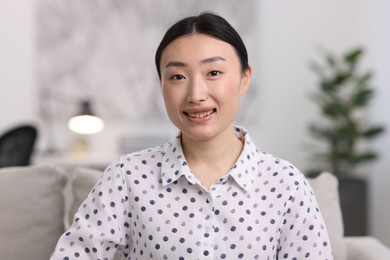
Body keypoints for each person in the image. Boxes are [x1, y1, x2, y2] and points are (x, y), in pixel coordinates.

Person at [51, 12, 333, 259]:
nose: (196, 95)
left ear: (245, 78)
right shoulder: (126, 177)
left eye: (213, 72)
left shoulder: (286, 184)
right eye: (177, 77)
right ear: (161, 83)